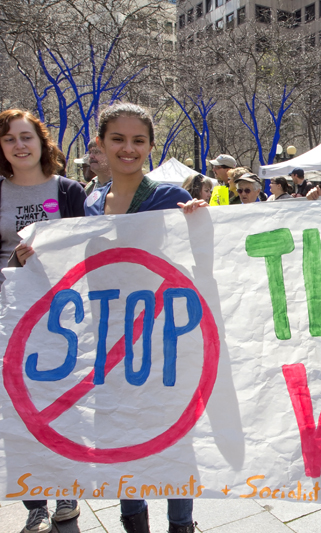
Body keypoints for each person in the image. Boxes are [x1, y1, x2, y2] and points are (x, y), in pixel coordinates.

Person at [84, 102, 205, 533]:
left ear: (151, 147)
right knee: (119, 433)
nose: (128, 148)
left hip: (163, 340)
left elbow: (198, 260)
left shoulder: (169, 198)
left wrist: (198, 225)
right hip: (110, 340)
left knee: (173, 435)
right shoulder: (90, 201)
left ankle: (181, 524)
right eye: (118, 139)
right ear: (101, 145)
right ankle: (132, 519)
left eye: (138, 141)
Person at [0, 109, 86, 533]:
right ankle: (34, 501)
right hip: (10, 316)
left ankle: (66, 487)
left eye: (26, 136)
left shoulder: (67, 190)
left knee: (62, 402)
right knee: (18, 409)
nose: (19, 145)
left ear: (41, 141)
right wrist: (15, 264)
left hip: (61, 316)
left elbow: (90, 245)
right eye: (9, 139)